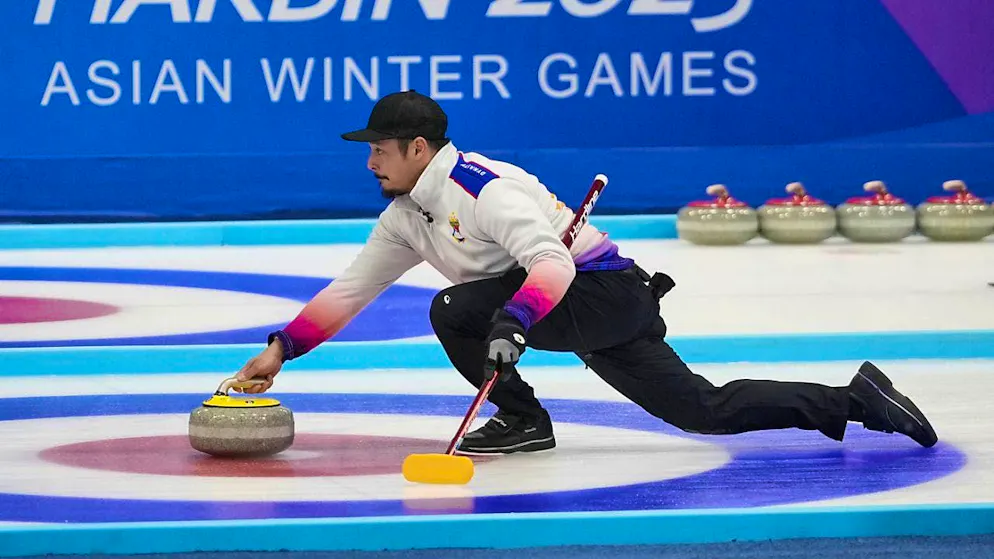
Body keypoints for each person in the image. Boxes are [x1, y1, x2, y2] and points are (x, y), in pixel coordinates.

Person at [234, 90, 938, 454]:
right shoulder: (405, 215)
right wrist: (281, 349)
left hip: (602, 292)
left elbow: (548, 263)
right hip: (576, 311)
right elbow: (351, 288)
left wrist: (512, 321)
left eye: (379, 150)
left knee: (452, 307)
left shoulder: (485, 189)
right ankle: (855, 399)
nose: (369, 163)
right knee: (703, 410)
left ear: (419, 147)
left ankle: (519, 417)